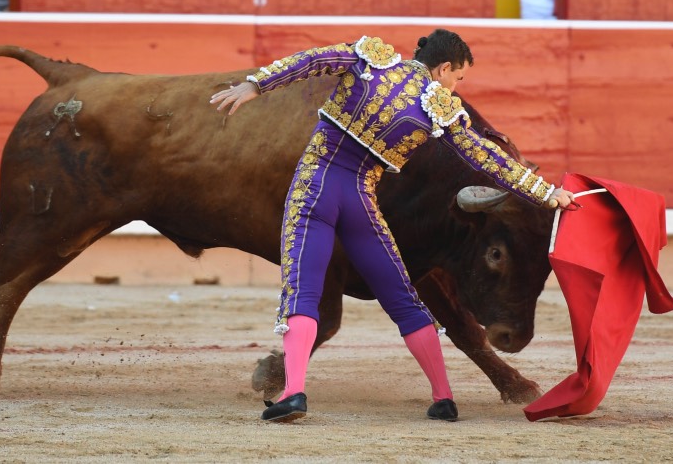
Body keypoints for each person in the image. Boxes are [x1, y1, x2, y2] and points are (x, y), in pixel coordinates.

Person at [208, 29, 576, 424]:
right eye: (458, 77)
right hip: (360, 200)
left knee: (303, 291)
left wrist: (256, 84)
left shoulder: (370, 59)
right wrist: (546, 192)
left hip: (313, 190)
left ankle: (293, 392)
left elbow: (312, 61)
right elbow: (488, 157)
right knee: (403, 297)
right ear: (444, 68)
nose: (456, 86)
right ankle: (443, 397)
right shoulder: (438, 108)